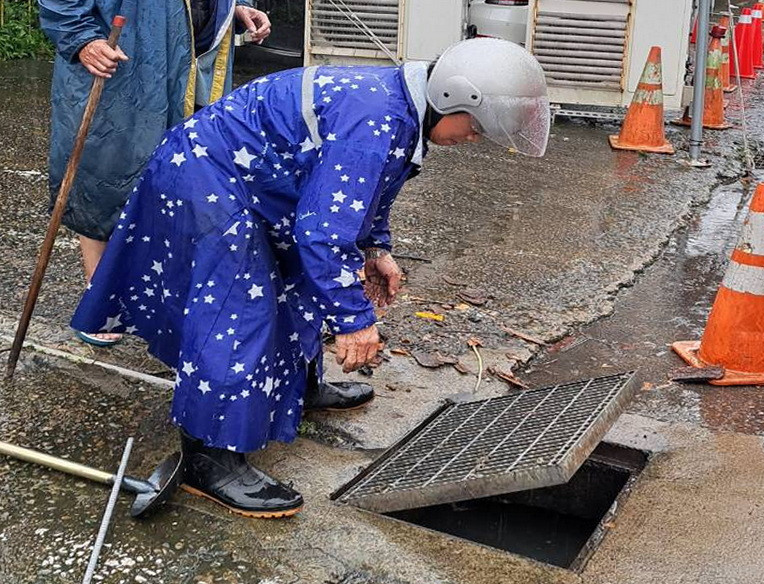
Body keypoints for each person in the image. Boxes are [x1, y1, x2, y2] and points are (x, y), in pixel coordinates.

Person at [69, 39, 552, 518]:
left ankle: (296, 386)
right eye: (476, 128)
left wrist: (374, 250)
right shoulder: (375, 121)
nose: (475, 140)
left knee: (297, 284)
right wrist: (355, 321)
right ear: (452, 97)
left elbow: (366, 192)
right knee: (236, 312)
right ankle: (208, 457)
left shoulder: (403, 110)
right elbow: (322, 233)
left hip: (252, 180)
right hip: (207, 180)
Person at [38, 0, 278, 345]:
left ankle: (153, 290)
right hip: (120, 63)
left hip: (188, 65)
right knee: (106, 176)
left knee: (179, 179)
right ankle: (102, 302)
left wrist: (235, 5)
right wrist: (81, 41)